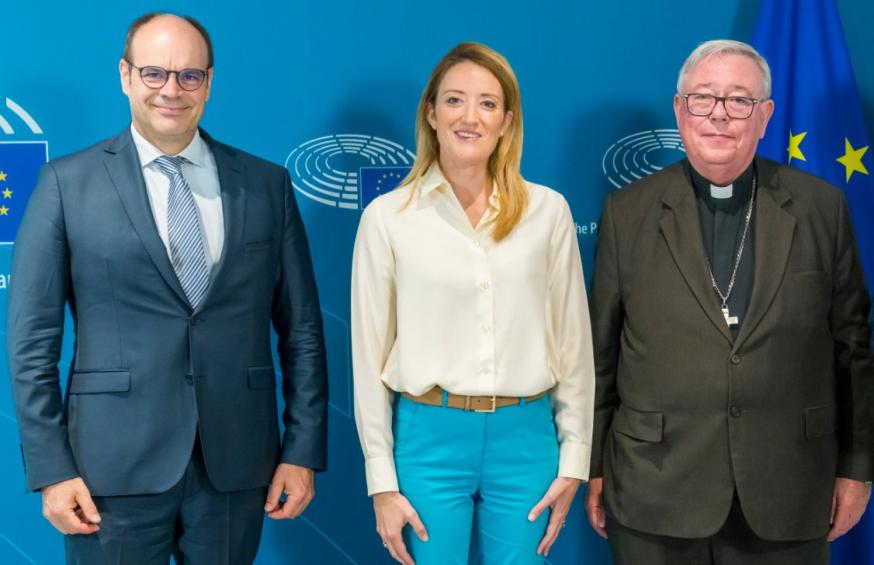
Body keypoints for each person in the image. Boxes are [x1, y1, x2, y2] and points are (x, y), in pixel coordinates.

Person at [7, 12, 328, 564]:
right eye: (154, 73)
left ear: (209, 83)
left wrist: (302, 450)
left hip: (236, 464)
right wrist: (52, 468)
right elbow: (32, 344)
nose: (171, 90)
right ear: (126, 76)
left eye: (189, 76)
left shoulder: (266, 184)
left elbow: (301, 331)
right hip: (109, 472)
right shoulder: (66, 183)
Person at [586, 39, 874, 564]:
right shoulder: (627, 213)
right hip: (655, 491)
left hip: (788, 491)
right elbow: (601, 353)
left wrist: (856, 467)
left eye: (739, 101)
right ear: (680, 109)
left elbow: (853, 348)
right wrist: (593, 467)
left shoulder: (820, 208)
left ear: (764, 117)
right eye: (703, 98)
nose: (719, 115)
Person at [351, 42, 594, 564]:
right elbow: (368, 360)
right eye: (455, 100)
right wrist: (381, 481)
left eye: (487, 103)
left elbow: (574, 344)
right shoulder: (387, 218)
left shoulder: (548, 213)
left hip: (527, 440)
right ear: (430, 113)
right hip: (426, 441)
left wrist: (574, 459)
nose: (470, 116)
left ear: (507, 120)